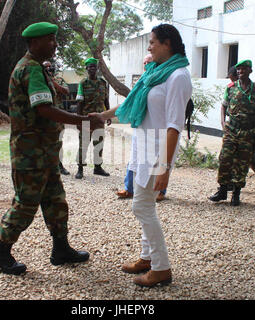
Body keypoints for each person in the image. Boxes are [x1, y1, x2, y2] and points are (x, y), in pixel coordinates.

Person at [0, 22, 103, 275]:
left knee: (55, 200)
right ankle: (0, 253)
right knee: (26, 203)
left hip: (44, 152)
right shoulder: (30, 69)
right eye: (50, 39)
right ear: (34, 42)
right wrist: (84, 121)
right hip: (31, 153)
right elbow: (44, 109)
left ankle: (61, 249)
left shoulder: (37, 68)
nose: (55, 44)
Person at [91, 24, 192, 287]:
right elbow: (131, 102)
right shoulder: (155, 73)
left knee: (141, 206)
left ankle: (161, 268)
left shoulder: (178, 76)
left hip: (158, 150)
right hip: (143, 145)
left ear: (167, 44)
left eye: (152, 42)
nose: (149, 47)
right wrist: (103, 115)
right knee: (143, 202)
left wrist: (165, 167)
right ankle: (147, 258)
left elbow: (174, 125)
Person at [209, 60, 255, 206]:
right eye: (238, 70)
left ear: (250, 71)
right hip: (231, 130)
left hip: (249, 132)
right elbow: (223, 106)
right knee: (224, 158)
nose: (240, 72)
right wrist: (222, 122)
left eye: (243, 69)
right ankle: (222, 190)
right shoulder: (231, 88)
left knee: (242, 163)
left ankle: (236, 194)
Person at [116, 54, 167, 202]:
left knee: (157, 159)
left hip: (157, 127)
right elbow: (132, 101)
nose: (146, 65)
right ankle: (129, 188)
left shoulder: (163, 80)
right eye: (144, 63)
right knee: (134, 158)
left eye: (149, 62)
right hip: (140, 125)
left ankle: (160, 191)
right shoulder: (143, 81)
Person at [225, 67, 255, 192]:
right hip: (235, 129)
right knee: (247, 155)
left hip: (249, 129)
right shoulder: (233, 88)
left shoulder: (254, 89)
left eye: (232, 78)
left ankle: (236, 184)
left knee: (245, 156)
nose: (233, 80)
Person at [75, 58, 111, 179]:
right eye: (89, 67)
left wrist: (108, 114)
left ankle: (97, 167)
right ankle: (80, 168)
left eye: (94, 67)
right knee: (83, 144)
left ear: (97, 68)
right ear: (86, 69)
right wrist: (79, 120)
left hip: (100, 119)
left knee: (99, 143)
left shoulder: (102, 83)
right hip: (87, 118)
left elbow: (106, 99)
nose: (92, 69)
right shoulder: (83, 83)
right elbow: (79, 102)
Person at [43, 61, 71, 175]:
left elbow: (66, 91)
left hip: (57, 115)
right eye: (46, 67)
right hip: (43, 116)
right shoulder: (38, 80)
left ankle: (59, 165)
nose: (49, 69)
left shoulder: (58, 80)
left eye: (50, 67)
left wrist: (53, 83)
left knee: (58, 141)